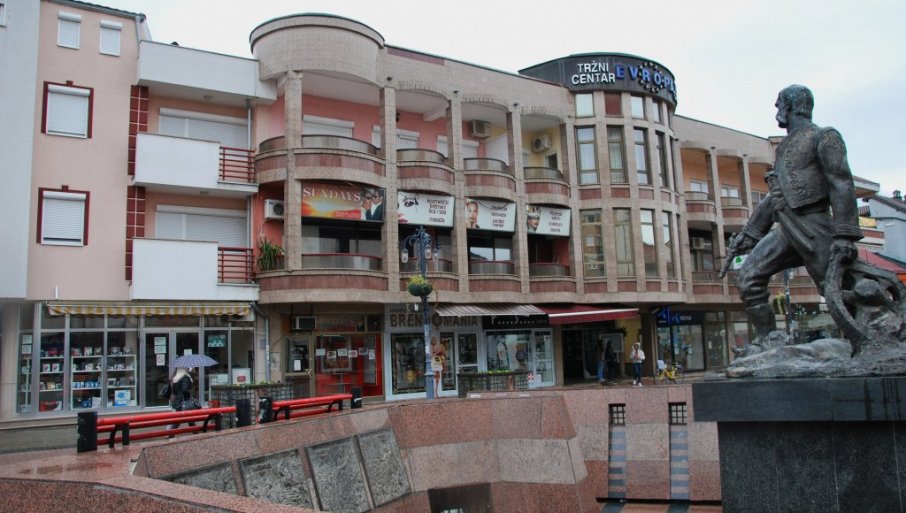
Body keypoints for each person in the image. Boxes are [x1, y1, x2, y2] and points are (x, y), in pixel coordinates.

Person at [729, 85, 862, 357]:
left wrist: (844, 234)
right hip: (786, 226)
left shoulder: (824, 136)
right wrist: (750, 235)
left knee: (836, 289)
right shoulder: (785, 147)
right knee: (748, 278)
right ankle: (769, 340)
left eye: (779, 105)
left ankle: (867, 338)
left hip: (815, 224)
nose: (777, 110)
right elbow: (776, 197)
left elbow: (841, 183)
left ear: (789, 106)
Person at [168, 367, 198, 433]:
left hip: (177, 400)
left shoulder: (175, 377)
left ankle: (195, 431)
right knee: (180, 418)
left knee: (189, 417)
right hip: (182, 401)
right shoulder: (185, 377)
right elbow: (184, 389)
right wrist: (190, 392)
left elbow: (175, 389)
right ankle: (171, 433)